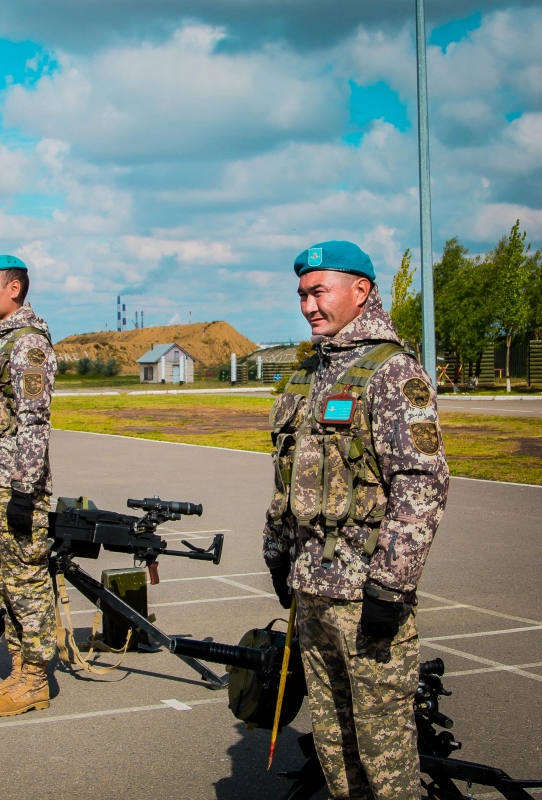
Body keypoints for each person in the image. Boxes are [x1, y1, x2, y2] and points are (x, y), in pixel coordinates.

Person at [264, 240, 449, 800]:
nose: (307, 305)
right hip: (312, 589)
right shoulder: (312, 370)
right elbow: (288, 475)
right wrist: (276, 550)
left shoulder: (393, 372)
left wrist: (391, 584)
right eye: (302, 294)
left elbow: (422, 482)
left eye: (319, 291)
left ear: (361, 290)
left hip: (364, 593)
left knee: (385, 758)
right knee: (335, 752)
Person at [0, 254, 57, 718]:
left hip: (15, 489)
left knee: (27, 582)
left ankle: (37, 680)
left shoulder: (28, 345)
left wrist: (24, 491)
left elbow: (34, 422)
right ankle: (20, 670)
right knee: (5, 584)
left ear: (14, 289)